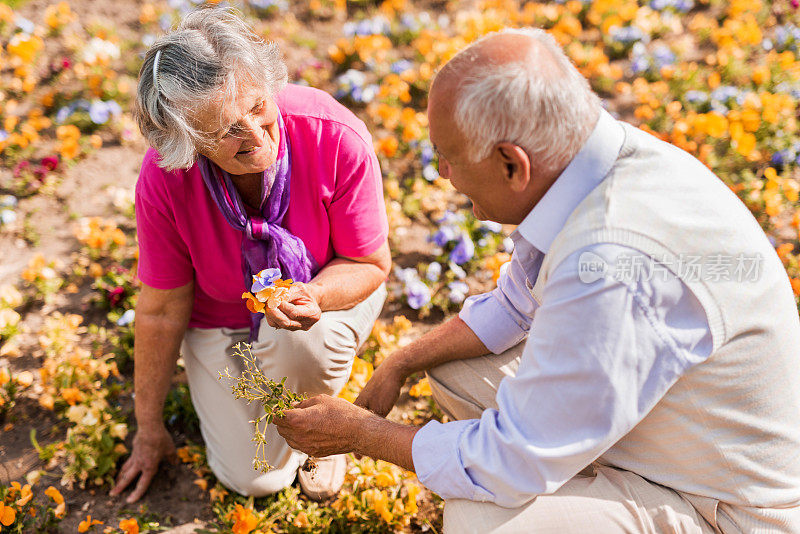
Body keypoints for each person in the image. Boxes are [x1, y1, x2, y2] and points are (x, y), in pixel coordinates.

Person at [274, 28, 800, 533]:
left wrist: (362, 435)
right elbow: (517, 303)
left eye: (450, 158)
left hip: (723, 503)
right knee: (453, 369)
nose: (443, 175)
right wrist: (402, 360)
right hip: (670, 428)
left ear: (511, 164)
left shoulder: (612, 262)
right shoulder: (591, 163)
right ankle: (586, 479)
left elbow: (512, 460)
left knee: (481, 523)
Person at [109, 7, 391, 503]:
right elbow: (160, 307)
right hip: (221, 317)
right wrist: (148, 426)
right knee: (254, 478)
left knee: (306, 343)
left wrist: (312, 294)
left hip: (330, 290)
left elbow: (369, 263)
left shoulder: (332, 135)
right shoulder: (166, 180)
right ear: (188, 142)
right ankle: (283, 407)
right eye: (225, 130)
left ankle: (327, 430)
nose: (255, 135)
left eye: (258, 107)